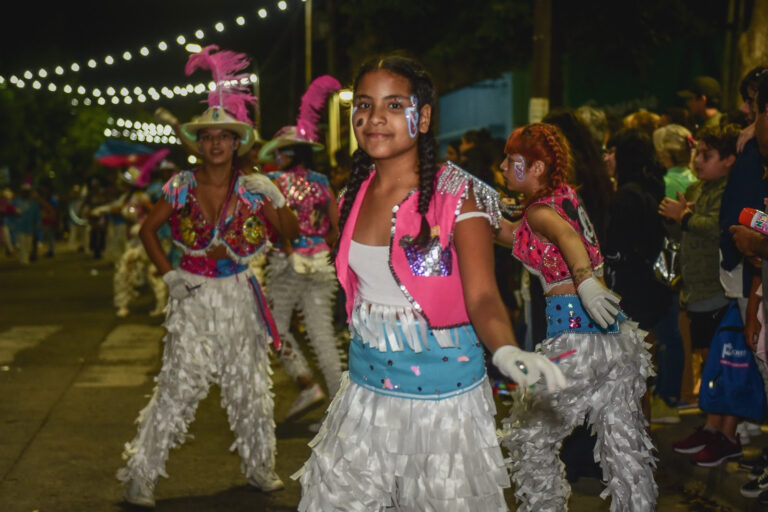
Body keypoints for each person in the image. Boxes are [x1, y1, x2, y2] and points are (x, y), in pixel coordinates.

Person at [293, 54, 565, 511]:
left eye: (394, 105)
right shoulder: (347, 199)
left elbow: (481, 295)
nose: (374, 118)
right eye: (364, 104)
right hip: (363, 399)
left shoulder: (459, 196)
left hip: (444, 409)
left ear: (424, 115)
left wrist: (507, 350)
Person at [116, 45, 299, 507]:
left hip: (238, 291)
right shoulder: (180, 186)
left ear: (236, 143)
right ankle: (142, 474)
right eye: (208, 137)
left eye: (224, 136)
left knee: (250, 385)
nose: (216, 143)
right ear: (199, 144)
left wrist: (276, 197)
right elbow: (147, 230)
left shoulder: (254, 189)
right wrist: (168, 276)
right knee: (178, 384)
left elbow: (288, 235)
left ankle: (260, 467)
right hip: (193, 291)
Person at [496, 123, 656, 512]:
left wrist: (584, 280)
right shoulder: (563, 196)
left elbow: (565, 237)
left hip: (573, 341)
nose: (502, 166)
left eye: (511, 161)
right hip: (613, 340)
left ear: (534, 168)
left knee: (528, 438)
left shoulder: (539, 211)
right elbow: (513, 232)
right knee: (624, 447)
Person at [258, 74, 345, 420]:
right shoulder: (324, 182)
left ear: (286, 154)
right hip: (321, 262)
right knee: (322, 333)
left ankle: (307, 383)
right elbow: (335, 228)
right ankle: (341, 407)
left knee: (273, 329)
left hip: (287, 261)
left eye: (279, 153)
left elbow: (272, 227)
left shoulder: (272, 183)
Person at [664, 123, 744, 466]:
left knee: (721, 362)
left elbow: (718, 227)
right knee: (710, 362)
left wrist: (686, 216)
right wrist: (681, 217)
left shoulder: (731, 189)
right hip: (697, 289)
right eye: (697, 154)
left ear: (729, 159)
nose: (698, 161)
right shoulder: (702, 186)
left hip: (718, 289)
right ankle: (712, 427)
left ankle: (726, 432)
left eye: (706, 156)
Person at [10, 179, 41, 265]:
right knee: (22, 244)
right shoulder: (16, 202)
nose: (25, 193)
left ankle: (24, 257)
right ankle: (24, 260)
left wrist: (38, 223)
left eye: (27, 192)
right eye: (24, 191)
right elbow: (11, 212)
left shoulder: (33, 202)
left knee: (28, 245)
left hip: (30, 227)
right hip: (19, 226)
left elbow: (37, 213)